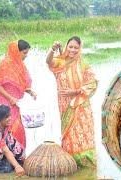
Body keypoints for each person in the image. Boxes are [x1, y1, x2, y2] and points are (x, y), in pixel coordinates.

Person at [46, 36, 98, 168]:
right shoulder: (60, 62)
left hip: (81, 104)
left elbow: (93, 83)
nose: (73, 50)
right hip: (65, 105)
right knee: (68, 134)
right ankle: (71, 163)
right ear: (66, 46)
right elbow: (48, 61)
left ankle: (87, 165)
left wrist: (74, 92)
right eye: (70, 47)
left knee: (84, 134)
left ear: (79, 49)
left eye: (76, 47)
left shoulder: (83, 64)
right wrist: (52, 49)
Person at [0, 40, 37, 154]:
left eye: (27, 53)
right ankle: (7, 158)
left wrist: (30, 91)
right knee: (8, 129)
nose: (26, 56)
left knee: (18, 130)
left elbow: (19, 84)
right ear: (16, 52)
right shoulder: (5, 64)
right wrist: (10, 97)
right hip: (5, 102)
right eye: (24, 53)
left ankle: (18, 156)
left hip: (15, 103)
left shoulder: (19, 65)